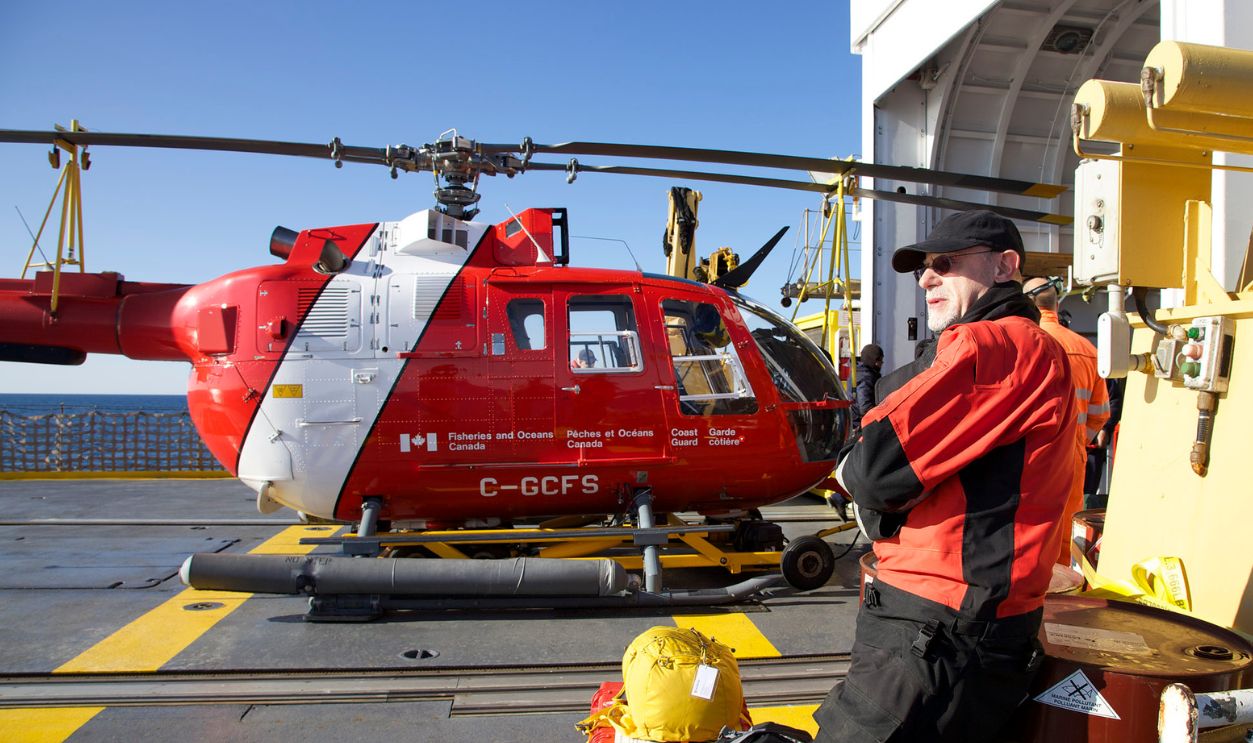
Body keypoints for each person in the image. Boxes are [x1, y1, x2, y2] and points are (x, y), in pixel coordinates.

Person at [814, 210, 1076, 743]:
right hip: (957, 625)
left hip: (937, 626)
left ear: (1006, 266)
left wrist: (857, 466)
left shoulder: (992, 345)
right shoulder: (1027, 346)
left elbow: (871, 473)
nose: (926, 277)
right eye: (924, 267)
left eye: (946, 263)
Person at [1022, 276, 1110, 564]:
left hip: (1029, 457)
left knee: (1025, 538)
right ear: (1056, 303)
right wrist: (1077, 440)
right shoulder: (1086, 349)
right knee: (1061, 540)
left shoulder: (1022, 342)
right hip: (1073, 457)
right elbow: (1100, 414)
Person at [1084, 376, 1123, 509]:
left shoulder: (1100, 373)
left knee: (1087, 497)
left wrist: (1105, 429)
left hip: (1091, 450)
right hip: (1068, 448)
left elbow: (1114, 401)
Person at [850, 344, 883, 432]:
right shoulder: (866, 377)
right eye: (881, 360)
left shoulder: (859, 372)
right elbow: (865, 406)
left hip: (856, 421)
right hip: (860, 425)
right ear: (875, 361)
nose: (882, 364)